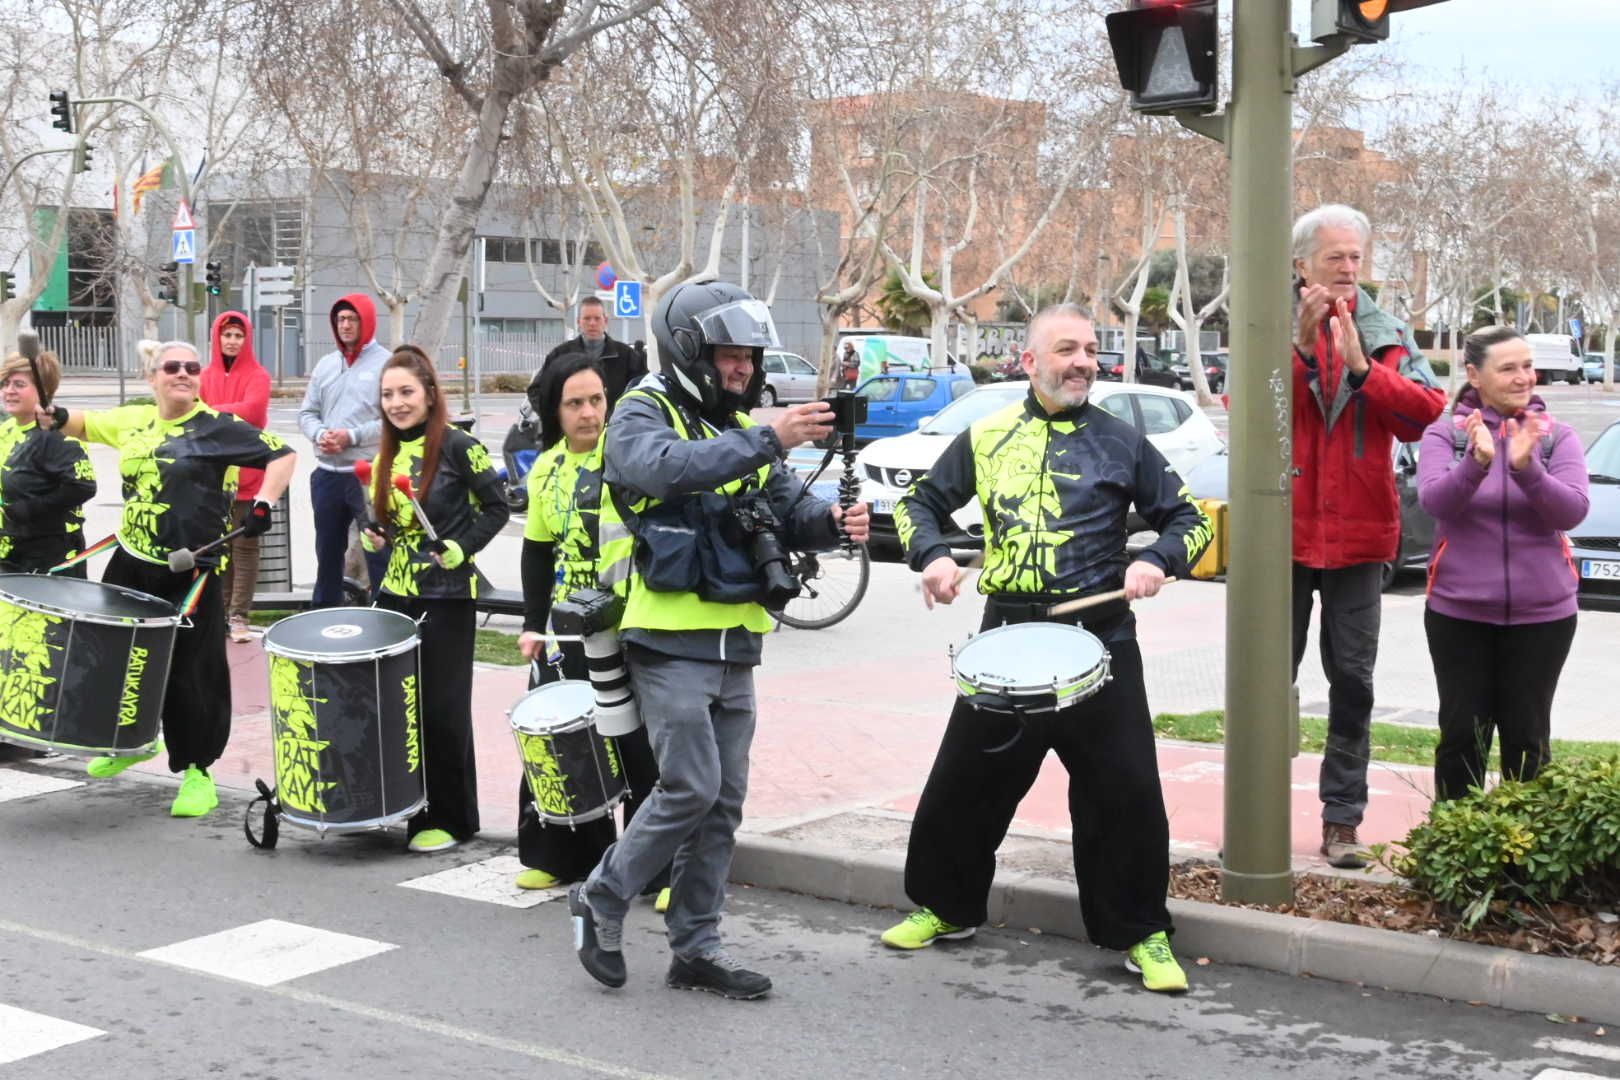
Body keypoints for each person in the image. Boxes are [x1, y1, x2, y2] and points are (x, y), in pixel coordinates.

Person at [880, 303, 1211, 994]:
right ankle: (946, 907)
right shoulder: (986, 435)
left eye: (1091, 349)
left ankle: (1142, 932)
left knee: (1125, 798)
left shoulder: (1123, 441)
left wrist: (1160, 559)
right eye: (1067, 349)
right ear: (1029, 362)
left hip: (1101, 643)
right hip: (1006, 639)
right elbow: (916, 506)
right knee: (963, 789)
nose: (1084, 361)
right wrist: (934, 558)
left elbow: (1189, 517)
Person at [568, 280, 868, 1000]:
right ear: (691, 349)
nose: (742, 369)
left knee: (723, 802)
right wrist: (770, 435)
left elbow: (789, 508)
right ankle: (603, 896)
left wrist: (834, 524)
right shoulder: (644, 410)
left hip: (738, 641)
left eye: (748, 357)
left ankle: (695, 950)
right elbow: (662, 471)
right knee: (691, 786)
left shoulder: (734, 426)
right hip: (668, 640)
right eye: (731, 355)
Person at [42, 340, 294, 817]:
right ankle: (131, 742)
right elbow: (79, 422)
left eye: (192, 367)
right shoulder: (133, 419)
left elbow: (282, 456)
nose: (184, 374)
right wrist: (50, 415)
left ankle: (198, 773)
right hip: (133, 559)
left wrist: (263, 503)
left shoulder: (220, 428)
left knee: (192, 674)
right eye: (172, 367)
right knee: (118, 659)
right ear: (151, 377)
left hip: (192, 569)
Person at [1289, 204, 1445, 868]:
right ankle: (1256, 806)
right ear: (1302, 267)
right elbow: (1248, 414)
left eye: (1356, 258)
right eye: (1335, 259)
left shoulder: (1387, 333)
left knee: (1353, 682)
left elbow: (1429, 418)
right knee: (1266, 680)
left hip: (1360, 539)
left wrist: (1364, 371)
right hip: (1283, 539)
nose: (1349, 270)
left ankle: (1342, 822)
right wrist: (1298, 350)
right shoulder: (1273, 328)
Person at [514, 352, 666, 900]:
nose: (588, 413)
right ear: (556, 411)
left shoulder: (627, 457)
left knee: (637, 748)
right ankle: (561, 856)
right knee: (562, 744)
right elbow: (536, 553)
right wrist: (533, 625)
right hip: (566, 630)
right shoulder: (545, 469)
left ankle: (660, 868)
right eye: (574, 403)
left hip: (628, 627)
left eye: (596, 400)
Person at [1417, 326, 1588, 802]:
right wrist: (1475, 461)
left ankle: (1522, 866)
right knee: (1461, 740)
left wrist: (1525, 467)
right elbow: (1435, 501)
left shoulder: (1556, 438)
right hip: (1458, 614)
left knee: (1528, 742)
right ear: (1474, 374)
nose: (1523, 378)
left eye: (1528, 366)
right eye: (1508, 368)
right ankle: (1455, 855)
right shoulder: (1446, 433)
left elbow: (1571, 510)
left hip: (1544, 618)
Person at [360, 345, 509, 853]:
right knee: (399, 709)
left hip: (447, 596)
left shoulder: (458, 445)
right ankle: (406, 808)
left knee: (442, 709)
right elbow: (387, 527)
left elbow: (497, 507)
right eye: (387, 394)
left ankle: (452, 816)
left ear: (428, 394)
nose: (397, 403)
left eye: (406, 392)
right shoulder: (385, 455)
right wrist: (374, 536)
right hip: (396, 595)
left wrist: (462, 545)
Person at [298, 294, 391, 607]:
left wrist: (350, 436)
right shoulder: (326, 365)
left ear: (367, 321)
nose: (346, 325)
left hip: (367, 476)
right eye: (340, 320)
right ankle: (323, 616)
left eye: (353, 319)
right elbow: (306, 413)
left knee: (378, 552)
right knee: (326, 554)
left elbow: (392, 420)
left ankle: (385, 616)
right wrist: (320, 433)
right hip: (327, 476)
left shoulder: (386, 364)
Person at [199, 311, 272, 642]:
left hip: (248, 477)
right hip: (212, 478)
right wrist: (231, 409)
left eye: (238, 336)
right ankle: (221, 611)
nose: (232, 341)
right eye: (226, 335)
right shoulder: (203, 375)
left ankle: (239, 615)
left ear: (247, 340)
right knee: (218, 547)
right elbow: (194, 413)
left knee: (244, 546)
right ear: (217, 338)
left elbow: (255, 412)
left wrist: (215, 411)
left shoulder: (258, 375)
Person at [0, 348, 95, 574]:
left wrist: (27, 509)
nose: (8, 391)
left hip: (51, 556)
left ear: (43, 390)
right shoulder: (7, 428)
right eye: (5, 383)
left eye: (19, 385)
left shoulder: (57, 432)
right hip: (11, 549)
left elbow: (83, 487)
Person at [527, 296, 647, 414]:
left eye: (597, 318)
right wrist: (557, 417)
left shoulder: (626, 356)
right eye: (587, 318)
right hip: (571, 431)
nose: (592, 323)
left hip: (615, 430)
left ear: (605, 321)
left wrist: (626, 418)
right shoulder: (560, 354)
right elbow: (537, 391)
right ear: (579, 322)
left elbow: (644, 392)